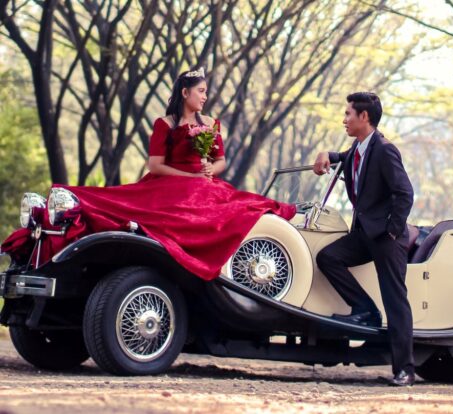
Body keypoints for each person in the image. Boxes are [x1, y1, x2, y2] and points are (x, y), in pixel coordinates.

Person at [1, 67, 296, 280]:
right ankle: (68, 205)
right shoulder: (164, 123)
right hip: (169, 182)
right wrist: (189, 177)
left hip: (205, 186)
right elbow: (154, 165)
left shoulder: (211, 123)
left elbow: (221, 162)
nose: (206, 97)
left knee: (242, 209)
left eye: (206, 91)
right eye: (201, 91)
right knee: (124, 204)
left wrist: (208, 170)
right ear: (185, 92)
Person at [313, 92, 415, 386]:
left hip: (387, 237)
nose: (344, 119)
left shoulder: (384, 149)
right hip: (364, 234)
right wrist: (328, 155)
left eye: (348, 114)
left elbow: (405, 193)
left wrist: (392, 230)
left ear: (364, 117)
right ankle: (365, 310)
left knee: (396, 300)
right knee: (329, 257)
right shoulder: (358, 148)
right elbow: (344, 158)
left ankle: (404, 370)